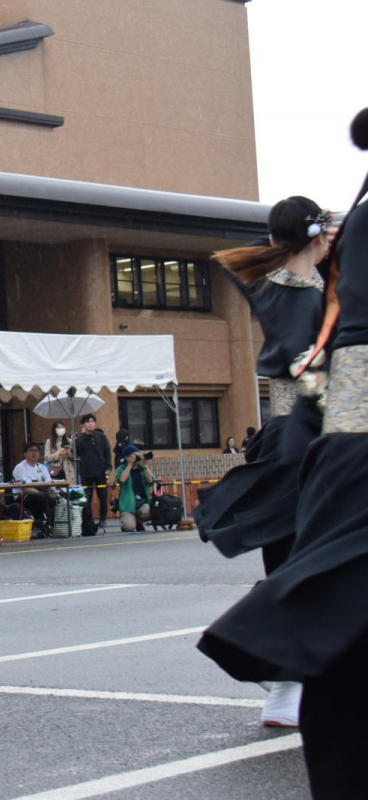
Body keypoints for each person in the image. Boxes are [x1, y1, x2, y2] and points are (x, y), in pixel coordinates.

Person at [198, 117, 368, 796]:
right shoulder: (312, 274)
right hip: (330, 412)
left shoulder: (304, 266)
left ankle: (289, 670)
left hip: (318, 421)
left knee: (314, 570)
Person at [196, 195, 333, 729]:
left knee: (298, 562)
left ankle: (285, 672)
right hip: (311, 435)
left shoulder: (270, 284)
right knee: (310, 564)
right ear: (316, 236)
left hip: (292, 436)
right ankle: (280, 672)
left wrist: (307, 240)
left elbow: (265, 247)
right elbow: (310, 372)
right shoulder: (307, 297)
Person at [76, 414, 110, 535]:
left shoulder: (101, 437)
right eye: (88, 422)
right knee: (87, 497)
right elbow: (76, 453)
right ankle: (88, 519)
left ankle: (103, 518)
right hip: (86, 471)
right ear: (83, 425)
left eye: (92, 421)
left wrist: (108, 467)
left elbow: (107, 452)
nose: (90, 424)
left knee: (103, 495)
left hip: (100, 470)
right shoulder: (80, 439)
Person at [12, 442, 53, 536]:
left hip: (41, 493)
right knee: (40, 499)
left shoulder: (42, 467)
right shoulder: (20, 468)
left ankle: (52, 524)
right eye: (31, 450)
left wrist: (54, 492)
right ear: (25, 453)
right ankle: (38, 525)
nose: (34, 453)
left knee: (57, 498)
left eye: (36, 451)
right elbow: (25, 488)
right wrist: (43, 494)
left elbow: (49, 482)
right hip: (23, 496)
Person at [114, 445, 155, 532]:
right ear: (126, 457)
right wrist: (129, 465)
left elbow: (151, 480)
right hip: (127, 505)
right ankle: (129, 523)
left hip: (142, 502)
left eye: (137, 454)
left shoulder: (141, 468)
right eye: (133, 455)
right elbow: (121, 480)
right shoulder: (121, 468)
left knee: (148, 510)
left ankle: (138, 522)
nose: (136, 456)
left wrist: (145, 466)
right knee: (129, 527)